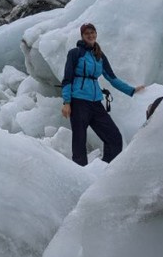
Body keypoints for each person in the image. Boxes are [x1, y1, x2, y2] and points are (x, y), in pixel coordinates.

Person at [61, 22, 145, 166]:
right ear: (82, 36)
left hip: (95, 103)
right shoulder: (75, 53)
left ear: (96, 34)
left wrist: (131, 90)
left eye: (92, 32)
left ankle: (105, 170)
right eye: (87, 33)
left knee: (114, 138)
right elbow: (67, 78)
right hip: (78, 101)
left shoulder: (99, 55)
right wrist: (66, 102)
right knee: (79, 141)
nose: (90, 35)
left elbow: (112, 78)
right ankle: (81, 174)